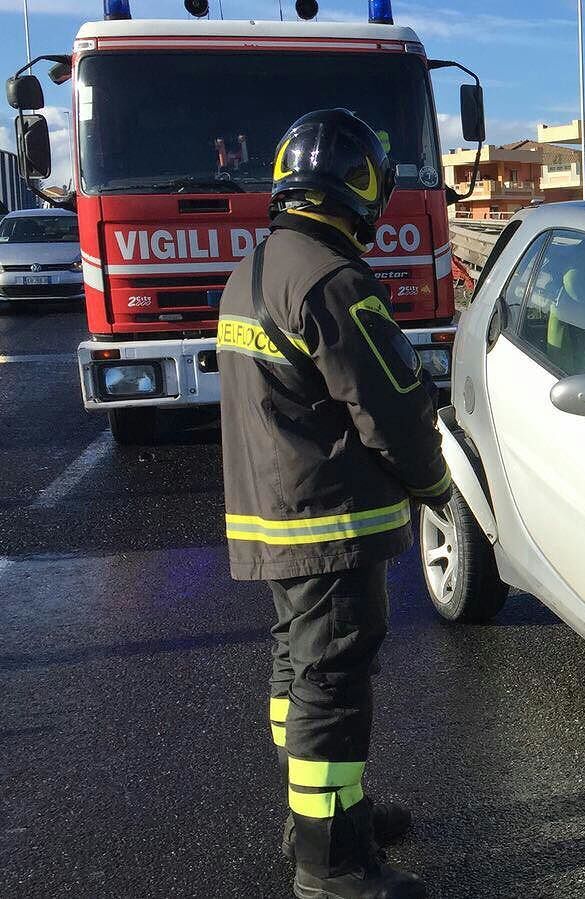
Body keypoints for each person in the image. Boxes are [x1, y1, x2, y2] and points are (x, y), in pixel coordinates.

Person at [217, 108, 450, 899]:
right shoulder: (332, 277)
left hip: (273, 513)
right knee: (333, 677)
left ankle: (323, 812)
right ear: (363, 188)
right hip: (327, 521)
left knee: (297, 666)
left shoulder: (255, 269)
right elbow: (393, 407)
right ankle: (332, 866)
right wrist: (436, 486)